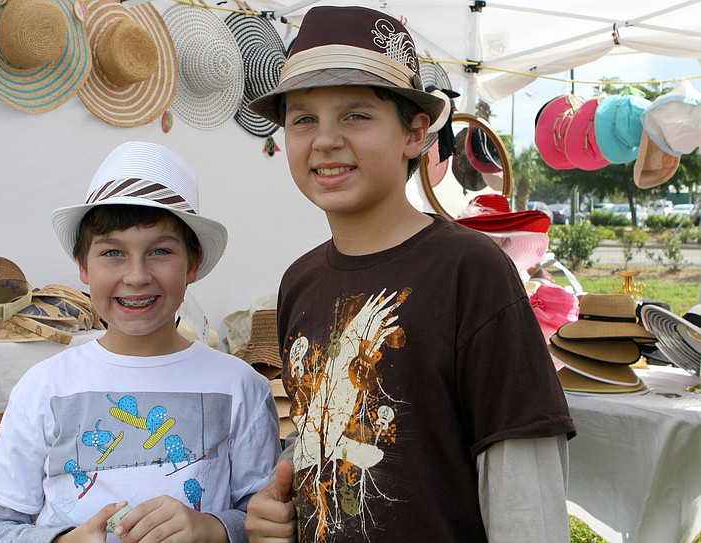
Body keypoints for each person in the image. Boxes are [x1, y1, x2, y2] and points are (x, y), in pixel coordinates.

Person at [244, 6, 576, 542]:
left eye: (355, 115)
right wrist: (276, 515)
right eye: (303, 119)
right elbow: (320, 445)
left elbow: (523, 479)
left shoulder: (470, 270)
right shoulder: (299, 281)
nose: (325, 139)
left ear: (415, 134)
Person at [0, 141, 281, 543]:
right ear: (83, 266)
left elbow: (268, 521)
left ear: (193, 264)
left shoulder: (241, 387)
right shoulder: (44, 387)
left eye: (161, 251)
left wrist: (212, 528)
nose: (136, 276)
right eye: (113, 252)